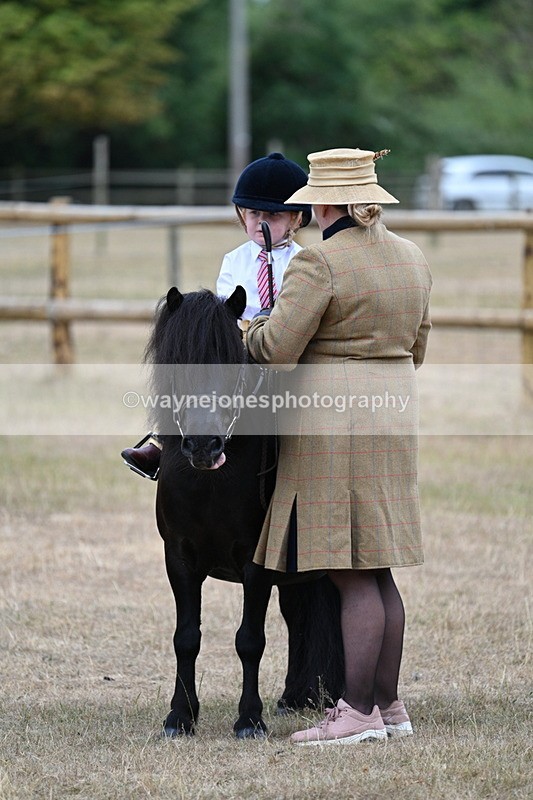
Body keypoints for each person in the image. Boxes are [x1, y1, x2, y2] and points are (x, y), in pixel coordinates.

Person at [245, 147, 432, 745]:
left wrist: (245, 329)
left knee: (349, 574)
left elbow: (278, 350)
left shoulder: (318, 264)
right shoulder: (412, 257)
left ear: (322, 203)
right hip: (393, 417)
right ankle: (388, 706)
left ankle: (354, 713)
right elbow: (418, 348)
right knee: (378, 571)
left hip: (332, 426)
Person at [121, 152, 311, 479]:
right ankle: (164, 441)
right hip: (243, 348)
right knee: (196, 375)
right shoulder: (234, 260)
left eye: (274, 215)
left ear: (295, 218)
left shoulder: (305, 262)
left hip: (286, 349)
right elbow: (225, 313)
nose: (262, 222)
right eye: (254, 213)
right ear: (241, 214)